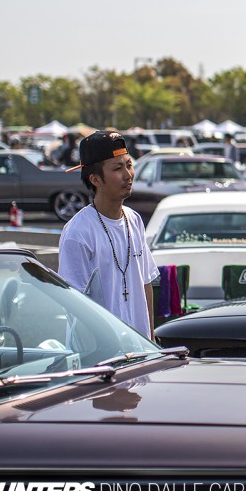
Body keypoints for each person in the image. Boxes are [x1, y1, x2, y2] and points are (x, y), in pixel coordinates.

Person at [58, 131, 158, 337]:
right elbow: (74, 303)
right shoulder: (78, 232)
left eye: (129, 165)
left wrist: (151, 340)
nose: (128, 175)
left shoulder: (134, 220)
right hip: (100, 351)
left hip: (140, 349)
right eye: (118, 168)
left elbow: (145, 283)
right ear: (95, 179)